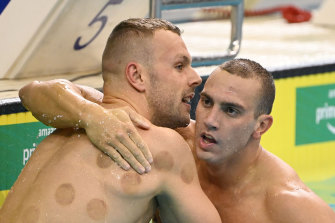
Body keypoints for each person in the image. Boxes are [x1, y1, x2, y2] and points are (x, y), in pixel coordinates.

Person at [18, 56, 335, 222]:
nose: (209, 120)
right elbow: (35, 92)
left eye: (231, 111)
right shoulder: (179, 140)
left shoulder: (288, 205)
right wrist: (92, 116)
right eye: (207, 101)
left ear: (261, 126)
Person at [0, 18, 222, 223]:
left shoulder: (77, 117)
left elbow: (33, 91)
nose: (195, 78)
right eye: (179, 66)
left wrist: (93, 116)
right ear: (137, 76)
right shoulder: (163, 145)